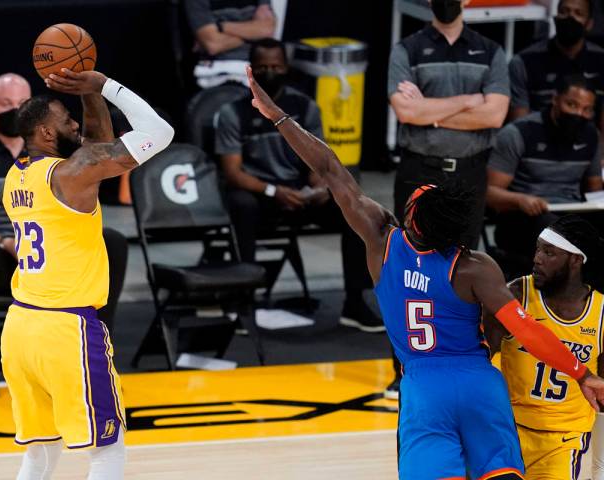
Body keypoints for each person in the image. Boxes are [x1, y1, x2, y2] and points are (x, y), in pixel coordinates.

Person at [246, 64, 604, 480]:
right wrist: (581, 373)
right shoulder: (474, 265)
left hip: (424, 386)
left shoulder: (382, 239)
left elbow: (328, 168)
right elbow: (526, 331)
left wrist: (279, 118)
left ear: (411, 218)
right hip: (479, 384)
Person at [1, 68, 173, 479]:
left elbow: (96, 146)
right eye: (67, 122)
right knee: (107, 448)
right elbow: (160, 132)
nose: (75, 126)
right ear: (45, 132)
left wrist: (89, 98)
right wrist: (107, 86)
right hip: (66, 331)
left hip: (21, 328)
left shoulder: (16, 175)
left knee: (41, 452)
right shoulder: (72, 174)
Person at [0, 73, 130, 400]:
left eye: (19, 104)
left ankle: (98, 346)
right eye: (4, 104)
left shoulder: (59, 151)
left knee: (111, 240)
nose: (13, 110)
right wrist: (5, 242)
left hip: (53, 256)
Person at [387, 0, 510, 397]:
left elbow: (494, 115)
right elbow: (406, 113)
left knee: (462, 269)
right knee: (407, 265)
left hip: (469, 171)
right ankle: (404, 367)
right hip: (421, 168)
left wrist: (430, 110)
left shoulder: (490, 51)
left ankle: (462, 358)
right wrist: (468, 100)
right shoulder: (407, 48)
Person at [216, 38, 381, 331]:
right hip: (261, 195)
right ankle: (243, 304)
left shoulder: (304, 107)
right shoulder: (233, 112)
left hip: (299, 194)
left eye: (276, 66)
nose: (270, 72)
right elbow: (232, 172)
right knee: (241, 204)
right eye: (263, 67)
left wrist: (319, 189)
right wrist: (273, 191)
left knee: (355, 208)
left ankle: (355, 303)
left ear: (287, 68)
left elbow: (320, 162)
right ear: (251, 71)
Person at [485, 215, 604, 480]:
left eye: (549, 252)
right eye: (537, 249)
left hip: (563, 441)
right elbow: (478, 360)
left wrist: (600, 466)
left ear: (576, 260)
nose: (537, 258)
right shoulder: (516, 294)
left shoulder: (602, 312)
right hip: (508, 430)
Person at [487, 74, 602, 271]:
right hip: (523, 217)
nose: (579, 114)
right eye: (572, 105)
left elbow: (594, 190)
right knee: (558, 230)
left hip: (571, 212)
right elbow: (489, 192)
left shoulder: (591, 135)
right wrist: (520, 200)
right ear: (555, 100)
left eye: (587, 110)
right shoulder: (519, 133)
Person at [509, 0, 604, 139]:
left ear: (589, 24)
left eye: (578, 13)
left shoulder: (601, 60)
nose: (570, 18)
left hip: (588, 147)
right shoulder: (524, 61)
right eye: (564, 12)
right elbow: (519, 125)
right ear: (555, 17)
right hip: (538, 145)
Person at [184, 0, 275, 88]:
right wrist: (255, 32)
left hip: (257, 69)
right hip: (215, 72)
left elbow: (267, 29)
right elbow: (213, 45)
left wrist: (220, 26)